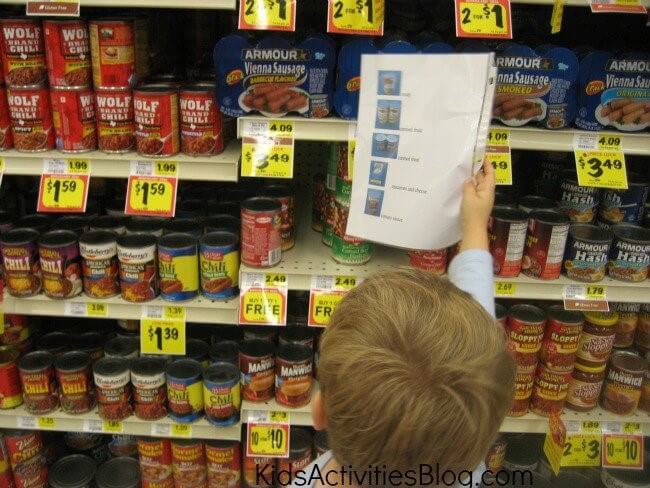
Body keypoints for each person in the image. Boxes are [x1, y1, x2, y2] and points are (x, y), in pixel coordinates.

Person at [289, 160, 516, 488]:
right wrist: (475, 227)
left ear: (319, 412)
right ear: (485, 437)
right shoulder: (461, 443)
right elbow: (476, 314)